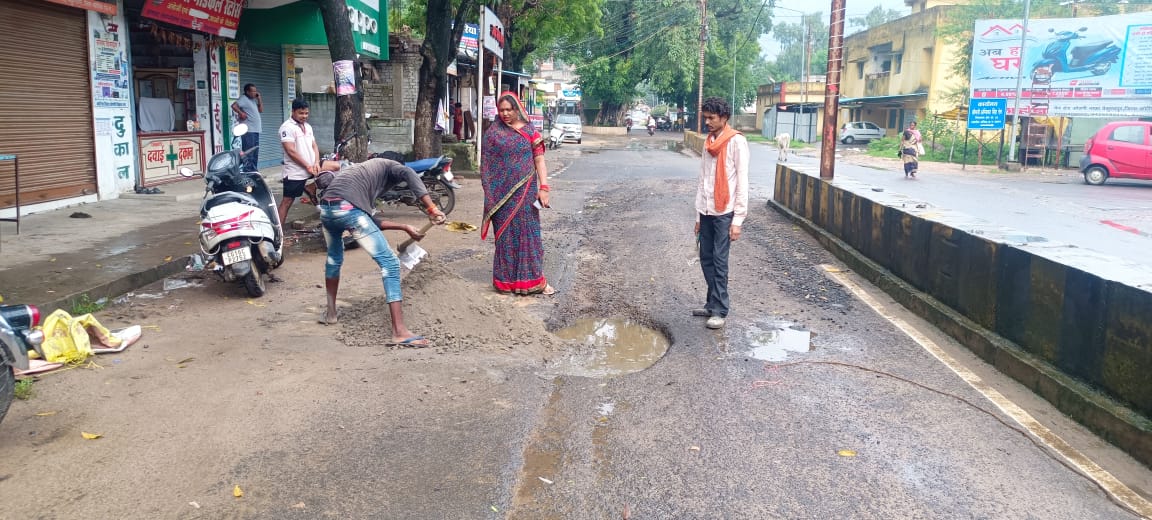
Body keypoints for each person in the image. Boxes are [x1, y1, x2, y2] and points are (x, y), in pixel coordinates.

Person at [315, 158, 447, 346]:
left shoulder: (361, 175)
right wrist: (432, 208)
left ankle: (331, 314)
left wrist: (404, 227)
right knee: (390, 264)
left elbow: (368, 221)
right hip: (347, 208)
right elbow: (409, 174)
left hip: (327, 209)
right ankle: (399, 332)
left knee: (334, 260)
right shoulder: (389, 165)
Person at [481, 91, 556, 296]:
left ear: (517, 109)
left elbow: (539, 160)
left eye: (509, 109)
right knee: (505, 237)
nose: (505, 114)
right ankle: (505, 282)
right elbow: (486, 165)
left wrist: (544, 187)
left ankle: (534, 281)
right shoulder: (494, 133)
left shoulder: (530, 132)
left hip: (527, 192)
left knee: (528, 235)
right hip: (501, 196)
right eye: (501, 110)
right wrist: (490, 192)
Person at [691, 97, 749, 329]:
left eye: (711, 118)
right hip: (706, 210)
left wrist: (738, 220)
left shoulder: (736, 142)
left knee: (719, 260)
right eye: (705, 117)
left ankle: (720, 310)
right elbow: (702, 180)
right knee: (705, 258)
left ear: (724, 118)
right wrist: (698, 216)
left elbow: (742, 182)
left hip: (725, 211)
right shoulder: (708, 142)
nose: (707, 122)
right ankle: (710, 304)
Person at [278, 98, 320, 227]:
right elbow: (291, 151)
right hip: (295, 172)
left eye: (306, 113)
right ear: (293, 111)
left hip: (312, 168)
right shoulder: (286, 127)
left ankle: (310, 188)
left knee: (333, 169)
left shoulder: (308, 126)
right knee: (287, 201)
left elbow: (314, 146)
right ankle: (278, 232)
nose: (304, 116)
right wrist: (307, 165)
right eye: (301, 113)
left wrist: (317, 162)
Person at [231, 83, 263, 171]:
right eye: (253, 91)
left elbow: (261, 110)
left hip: (255, 130)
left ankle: (254, 172)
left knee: (255, 153)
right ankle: (248, 173)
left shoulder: (252, 100)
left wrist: (259, 99)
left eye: (256, 91)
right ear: (247, 92)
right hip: (249, 131)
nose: (255, 93)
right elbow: (234, 105)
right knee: (249, 153)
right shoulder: (243, 99)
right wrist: (241, 113)